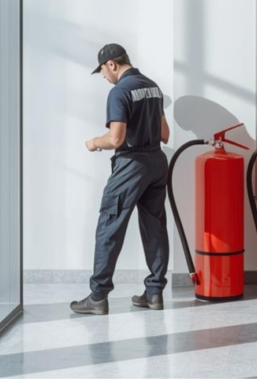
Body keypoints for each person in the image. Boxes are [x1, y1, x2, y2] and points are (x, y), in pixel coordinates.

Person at [70, 44, 171, 315]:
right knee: (155, 226)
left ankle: (98, 297)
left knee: (109, 225)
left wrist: (94, 142)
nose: (103, 76)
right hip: (157, 162)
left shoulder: (119, 92)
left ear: (112, 64)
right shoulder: (152, 86)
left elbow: (116, 138)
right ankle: (154, 293)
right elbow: (165, 134)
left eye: (102, 70)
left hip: (131, 165)